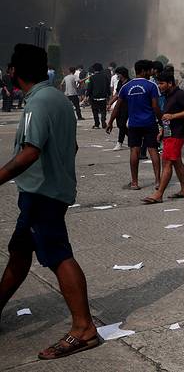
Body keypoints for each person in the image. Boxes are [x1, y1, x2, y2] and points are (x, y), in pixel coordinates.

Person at [0, 44, 100, 359]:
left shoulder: (37, 103)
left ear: (14, 71)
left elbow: (30, 151)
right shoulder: (57, 99)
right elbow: (72, 147)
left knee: (57, 255)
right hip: (49, 191)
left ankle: (84, 329)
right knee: (20, 251)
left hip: (42, 195)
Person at [107, 60, 161, 190]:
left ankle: (134, 183)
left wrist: (110, 122)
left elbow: (117, 107)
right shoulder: (151, 86)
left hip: (134, 124)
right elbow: (155, 106)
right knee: (153, 150)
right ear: (143, 71)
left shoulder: (126, 87)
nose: (150, 73)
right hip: (149, 123)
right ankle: (158, 182)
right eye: (148, 70)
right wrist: (162, 121)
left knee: (134, 150)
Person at [143, 72, 184, 203]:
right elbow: (166, 115)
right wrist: (162, 131)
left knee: (167, 162)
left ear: (170, 83)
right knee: (176, 161)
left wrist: (173, 116)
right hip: (169, 133)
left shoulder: (180, 94)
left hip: (176, 134)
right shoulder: (167, 95)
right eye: (158, 83)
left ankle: (159, 194)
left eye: (161, 83)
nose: (159, 86)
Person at [84, 63, 110, 130]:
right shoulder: (105, 77)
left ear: (94, 69)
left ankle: (97, 124)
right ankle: (103, 122)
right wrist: (109, 95)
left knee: (95, 111)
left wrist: (86, 96)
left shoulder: (92, 77)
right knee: (103, 110)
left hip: (94, 97)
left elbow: (89, 88)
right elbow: (108, 87)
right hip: (103, 97)